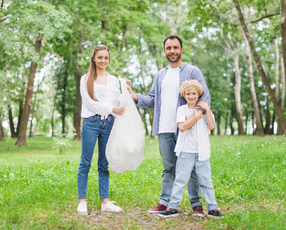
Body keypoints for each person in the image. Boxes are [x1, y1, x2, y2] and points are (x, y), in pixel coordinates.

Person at [126, 35, 211, 216]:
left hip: (185, 128)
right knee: (169, 168)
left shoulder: (192, 71)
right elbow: (152, 100)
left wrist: (196, 117)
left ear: (181, 49)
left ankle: (196, 205)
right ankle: (166, 203)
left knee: (191, 167)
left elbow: (204, 97)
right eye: (169, 48)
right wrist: (134, 96)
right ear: (164, 51)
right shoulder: (160, 75)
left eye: (175, 47)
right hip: (164, 128)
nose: (172, 51)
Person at [157, 80, 223, 218]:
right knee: (180, 180)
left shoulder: (205, 111)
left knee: (206, 181)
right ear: (184, 95)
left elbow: (211, 126)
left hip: (202, 152)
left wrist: (207, 110)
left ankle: (213, 208)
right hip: (186, 151)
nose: (191, 96)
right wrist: (196, 116)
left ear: (198, 94)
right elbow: (182, 127)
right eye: (188, 94)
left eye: (194, 93)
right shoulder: (182, 110)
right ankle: (172, 207)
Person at [77, 45, 125, 215]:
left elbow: (118, 99)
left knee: (104, 163)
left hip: (108, 123)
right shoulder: (86, 79)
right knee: (85, 162)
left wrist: (126, 90)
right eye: (100, 57)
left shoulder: (113, 80)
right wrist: (111, 108)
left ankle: (105, 201)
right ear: (94, 59)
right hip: (91, 122)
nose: (103, 60)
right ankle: (82, 201)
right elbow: (90, 103)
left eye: (106, 58)